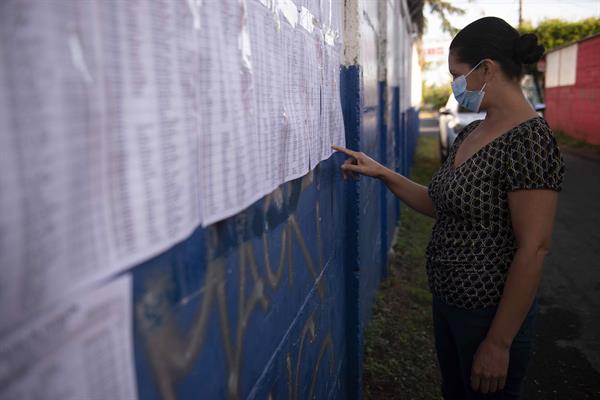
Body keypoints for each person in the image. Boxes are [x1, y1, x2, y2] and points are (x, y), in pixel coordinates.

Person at [331, 16, 565, 400]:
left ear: (486, 68)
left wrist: (499, 343)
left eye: (458, 74)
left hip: (489, 316)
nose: (455, 85)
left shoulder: (530, 140)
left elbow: (534, 248)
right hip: (450, 306)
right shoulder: (472, 131)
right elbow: (442, 204)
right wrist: (380, 172)